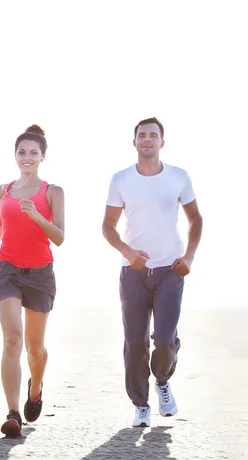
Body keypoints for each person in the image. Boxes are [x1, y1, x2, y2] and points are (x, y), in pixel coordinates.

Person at [102, 117, 203, 428]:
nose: (147, 139)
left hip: (170, 270)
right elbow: (107, 226)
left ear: (162, 141)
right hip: (133, 273)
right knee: (135, 343)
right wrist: (128, 252)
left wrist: (189, 256)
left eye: (153, 135)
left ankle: (162, 380)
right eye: (141, 135)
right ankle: (141, 404)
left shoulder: (178, 177)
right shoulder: (121, 180)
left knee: (164, 338)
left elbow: (196, 220)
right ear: (134, 143)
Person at [0, 124, 65, 437]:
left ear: (43, 156)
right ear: (15, 155)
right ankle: (13, 413)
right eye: (21, 152)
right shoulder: (2, 191)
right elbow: (0, 223)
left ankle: (36, 388)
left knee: (35, 348)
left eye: (33, 153)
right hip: (7, 271)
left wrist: (37, 217)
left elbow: (59, 237)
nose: (27, 157)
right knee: (13, 337)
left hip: (40, 275)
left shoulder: (52, 192)